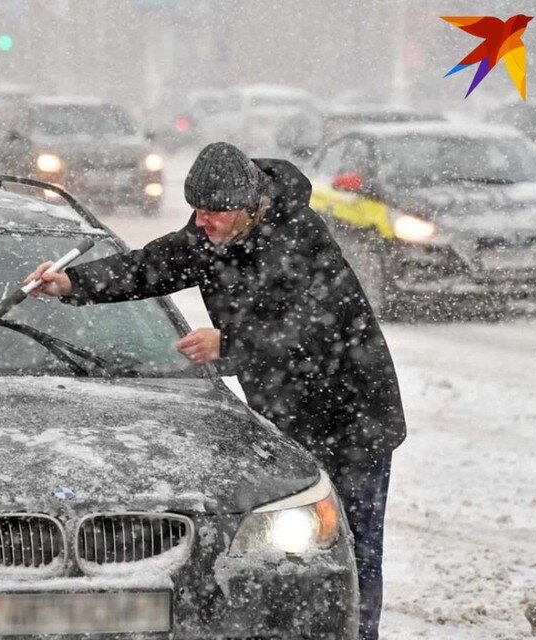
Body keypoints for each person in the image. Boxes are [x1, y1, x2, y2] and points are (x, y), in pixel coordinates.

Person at [25, 142, 406, 640]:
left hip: (352, 419)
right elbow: (150, 266)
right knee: (287, 549)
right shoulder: (213, 233)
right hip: (284, 414)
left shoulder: (300, 238)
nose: (202, 223)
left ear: (250, 206)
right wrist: (74, 284)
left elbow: (318, 329)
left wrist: (230, 342)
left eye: (214, 213)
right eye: (196, 212)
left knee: (352, 549)